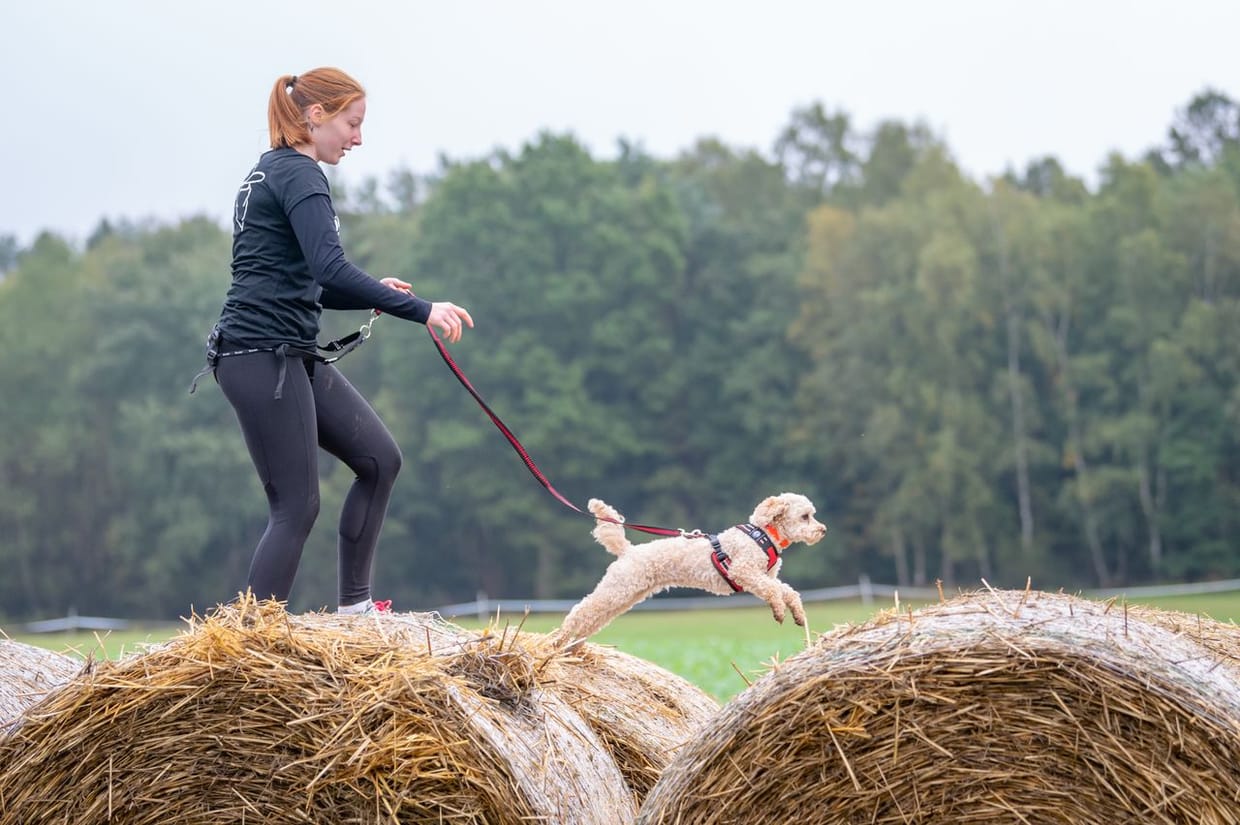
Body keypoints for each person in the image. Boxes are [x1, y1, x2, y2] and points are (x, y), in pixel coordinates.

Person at [201, 67, 473, 614]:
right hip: (260, 357)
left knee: (379, 460)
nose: (358, 138)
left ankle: (354, 611)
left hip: (282, 353)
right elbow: (331, 268)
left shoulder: (268, 172)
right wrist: (421, 310)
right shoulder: (300, 175)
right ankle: (249, 645)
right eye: (352, 123)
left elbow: (308, 283)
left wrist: (373, 293)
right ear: (316, 115)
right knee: (296, 506)